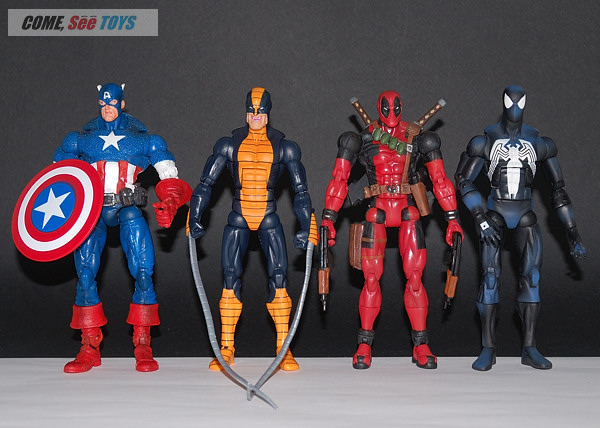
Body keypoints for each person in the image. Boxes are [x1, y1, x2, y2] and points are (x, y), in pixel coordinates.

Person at [54, 83, 191, 373]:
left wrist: (170, 203)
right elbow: (57, 176)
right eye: (104, 102)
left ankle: (143, 342)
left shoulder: (143, 141)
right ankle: (89, 344)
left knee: (143, 271)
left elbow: (169, 176)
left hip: (127, 207)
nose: (108, 107)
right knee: (85, 273)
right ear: (98, 102)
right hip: (92, 211)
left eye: (113, 103)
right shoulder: (80, 140)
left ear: (122, 103)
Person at [321, 90, 462, 369]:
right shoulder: (361, 139)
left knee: (415, 278)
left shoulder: (419, 139)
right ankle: (364, 344)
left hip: (408, 211)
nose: (391, 112)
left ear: (401, 107)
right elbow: (340, 178)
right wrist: (328, 218)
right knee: (371, 279)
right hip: (378, 211)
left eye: (396, 107)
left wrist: (453, 218)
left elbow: (439, 179)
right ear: (378, 108)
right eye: (386, 108)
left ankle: (421, 345)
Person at [454, 85, 586, 371]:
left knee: (532, 277)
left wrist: (572, 231)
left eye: (520, 102)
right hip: (494, 214)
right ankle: (488, 348)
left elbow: (558, 191)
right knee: (490, 278)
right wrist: (479, 216)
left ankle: (529, 347)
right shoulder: (485, 141)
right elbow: (463, 180)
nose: (515, 107)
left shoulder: (539, 143)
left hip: (525, 213)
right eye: (511, 101)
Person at [188, 87, 317, 371]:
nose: (256, 115)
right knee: (230, 276)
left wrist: (307, 225)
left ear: (268, 112)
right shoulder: (228, 145)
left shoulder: (285, 148)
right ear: (246, 112)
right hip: (239, 215)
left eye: (260, 110)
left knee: (279, 276)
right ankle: (226, 347)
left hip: (268, 215)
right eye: (251, 110)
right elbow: (206, 183)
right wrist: (194, 215)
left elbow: (301, 191)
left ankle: (283, 348)